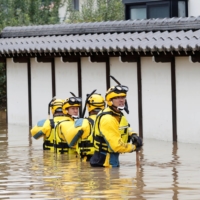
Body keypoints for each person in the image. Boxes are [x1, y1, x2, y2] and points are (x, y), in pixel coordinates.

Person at [90, 85, 143, 167]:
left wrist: (132, 134)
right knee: (114, 179)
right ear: (110, 100)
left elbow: (124, 127)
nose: (121, 100)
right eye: (117, 98)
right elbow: (117, 146)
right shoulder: (107, 119)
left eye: (123, 97)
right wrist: (133, 147)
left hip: (111, 158)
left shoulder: (118, 114)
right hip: (104, 162)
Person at [76, 93, 105, 161]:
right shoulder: (110, 120)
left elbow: (71, 143)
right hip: (105, 158)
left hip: (87, 159)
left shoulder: (82, 122)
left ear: (88, 106)